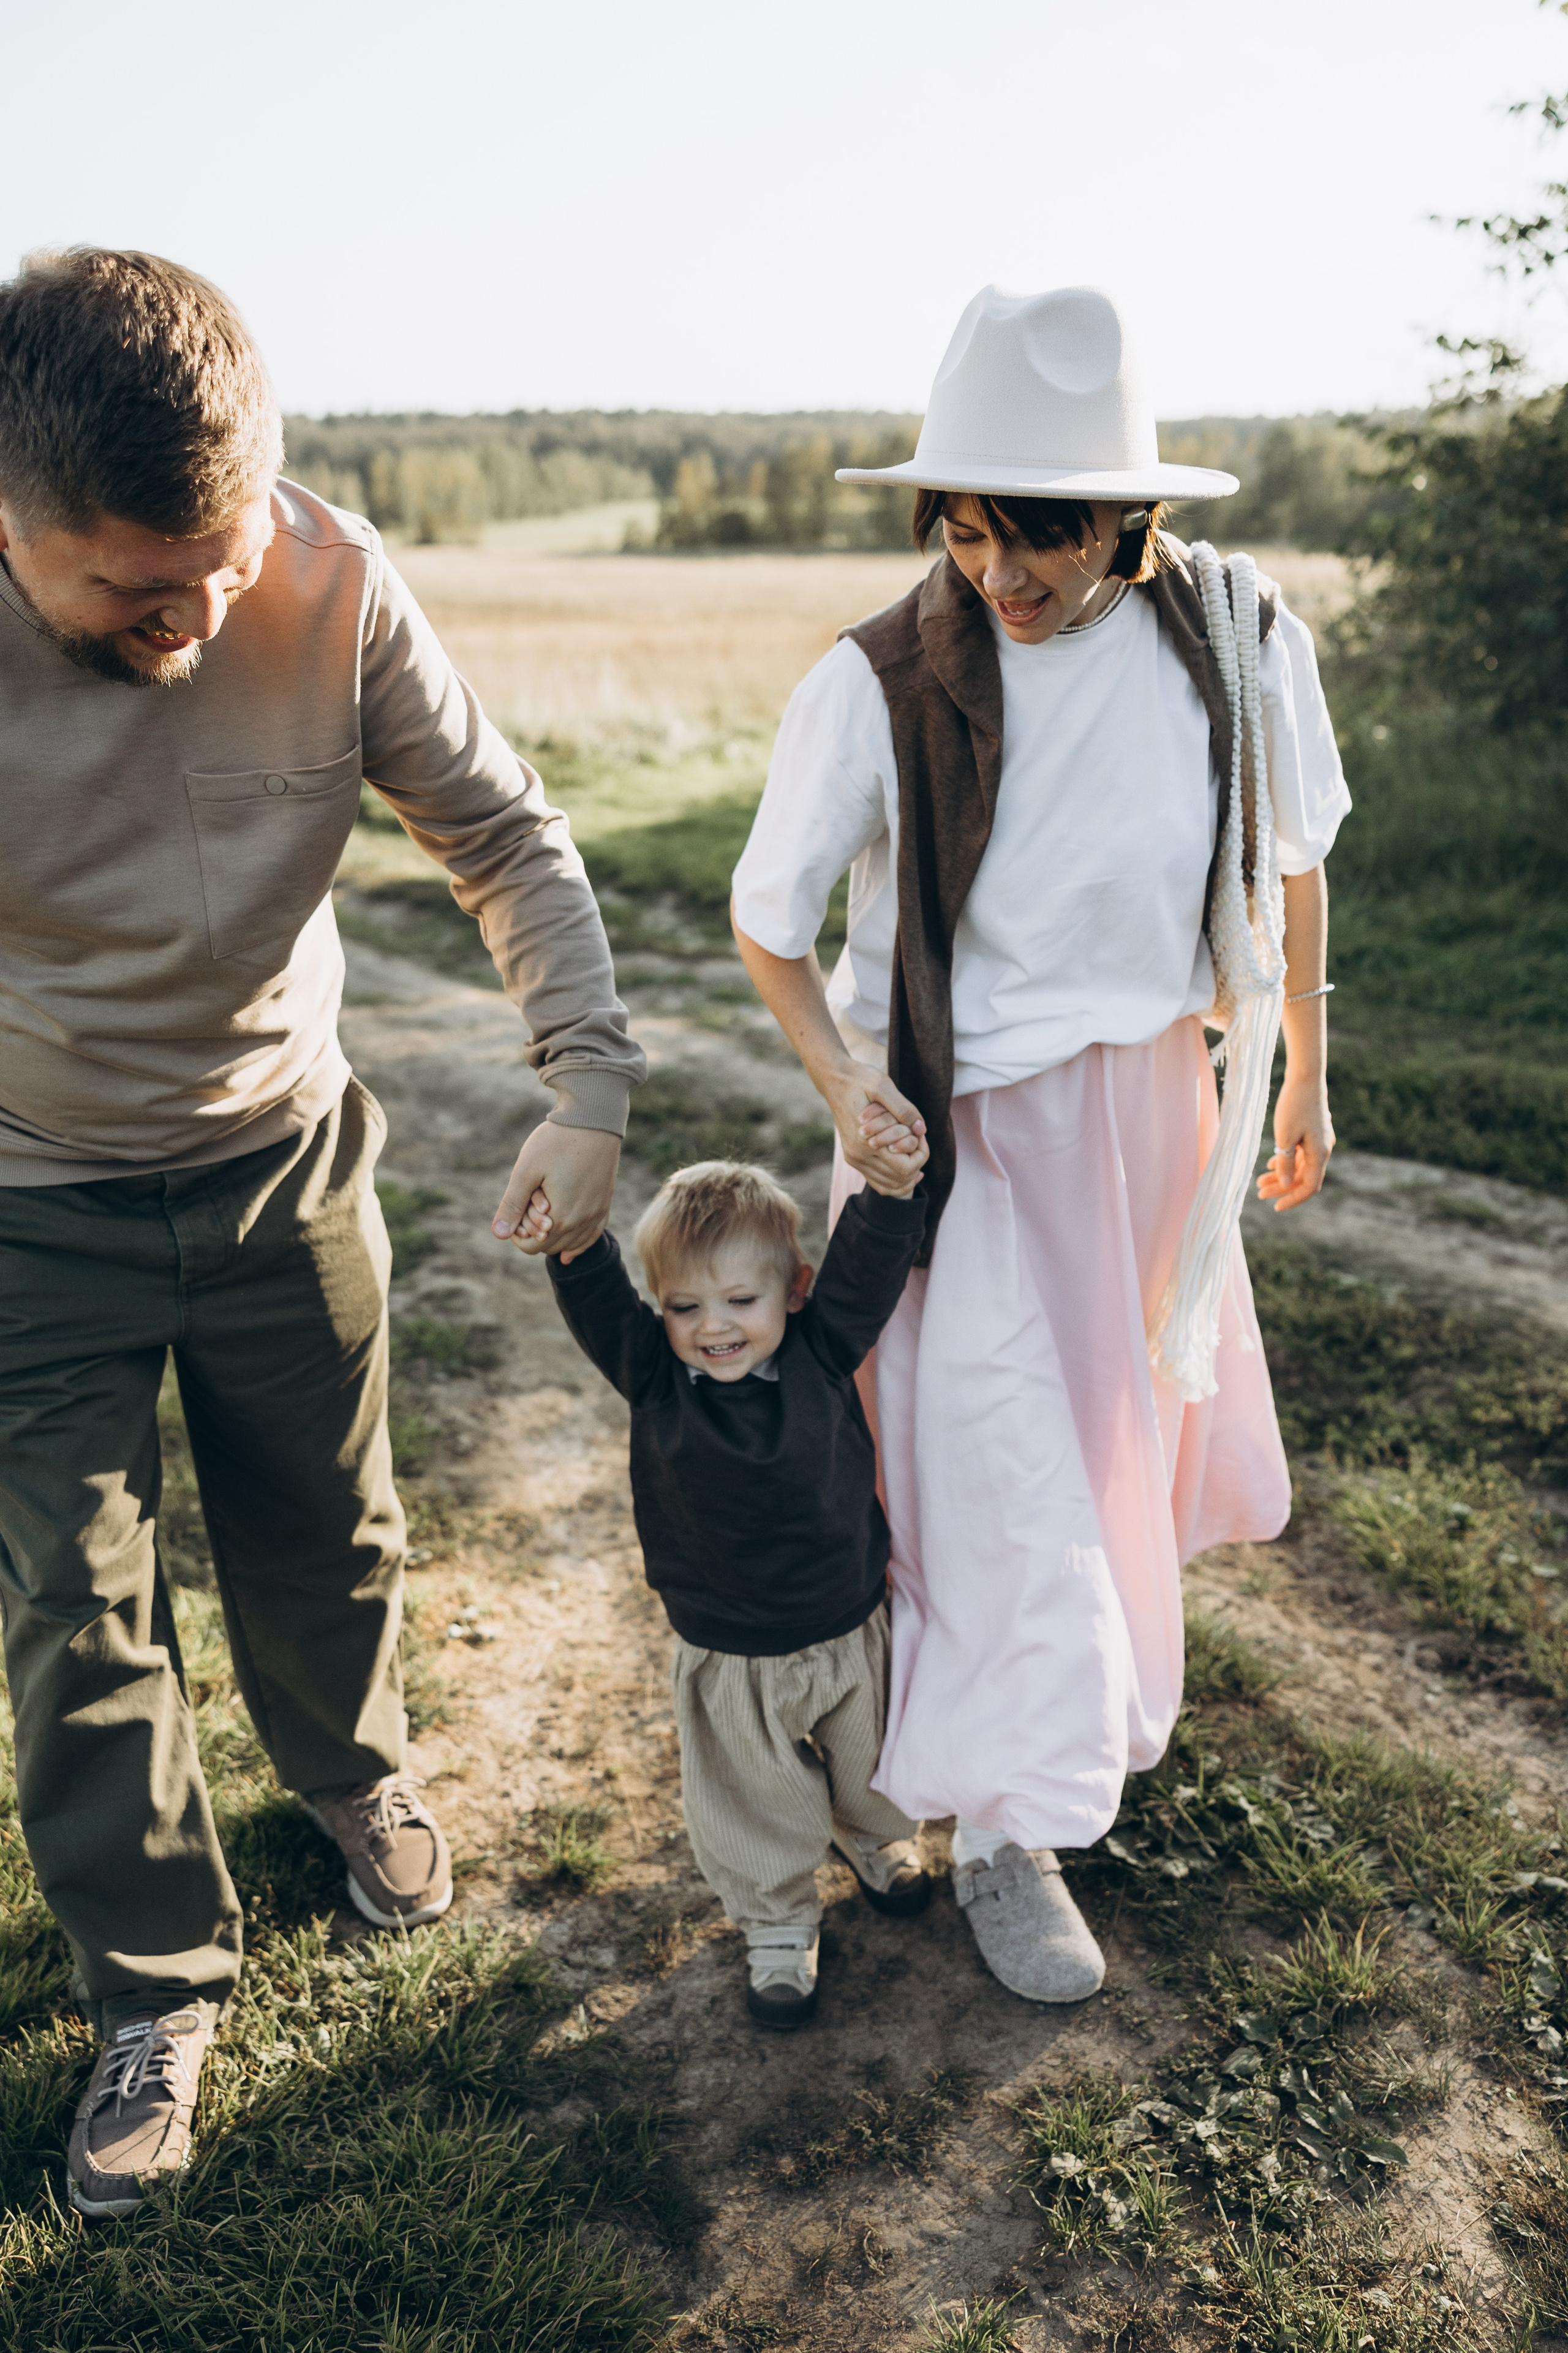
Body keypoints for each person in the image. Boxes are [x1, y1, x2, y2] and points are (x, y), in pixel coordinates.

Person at [0, 247, 644, 2216]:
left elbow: (505, 835)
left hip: (287, 1158)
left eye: (221, 553)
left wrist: (590, 1083)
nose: (195, 615)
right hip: (31, 1200)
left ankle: (354, 1780)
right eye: (132, 586)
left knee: (323, 1523)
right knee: (79, 1613)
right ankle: (158, 1987)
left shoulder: (334, 577)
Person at [730, 285, 1350, 2007]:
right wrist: (845, 1081)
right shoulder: (878, 680)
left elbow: (1295, 857)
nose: (1000, 572)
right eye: (970, 528)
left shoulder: (1234, 636)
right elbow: (770, 928)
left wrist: (1300, 1076)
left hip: (1151, 1121)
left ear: (1134, 519)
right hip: (958, 1142)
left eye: (1045, 536)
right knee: (990, 1486)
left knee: (1101, 1463)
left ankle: (1016, 1781)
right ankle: (1008, 1830)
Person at [542, 1158, 930, 2028]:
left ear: (793, 1290)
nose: (712, 1326)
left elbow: (867, 1268)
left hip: (846, 1621)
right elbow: (597, 1296)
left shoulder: (822, 1347)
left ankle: (875, 1838)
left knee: (876, 1761)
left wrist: (893, 1193)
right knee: (755, 1800)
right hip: (729, 1646)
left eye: (738, 1301)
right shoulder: (653, 1375)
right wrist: (572, 1238)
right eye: (685, 1306)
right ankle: (780, 1921)